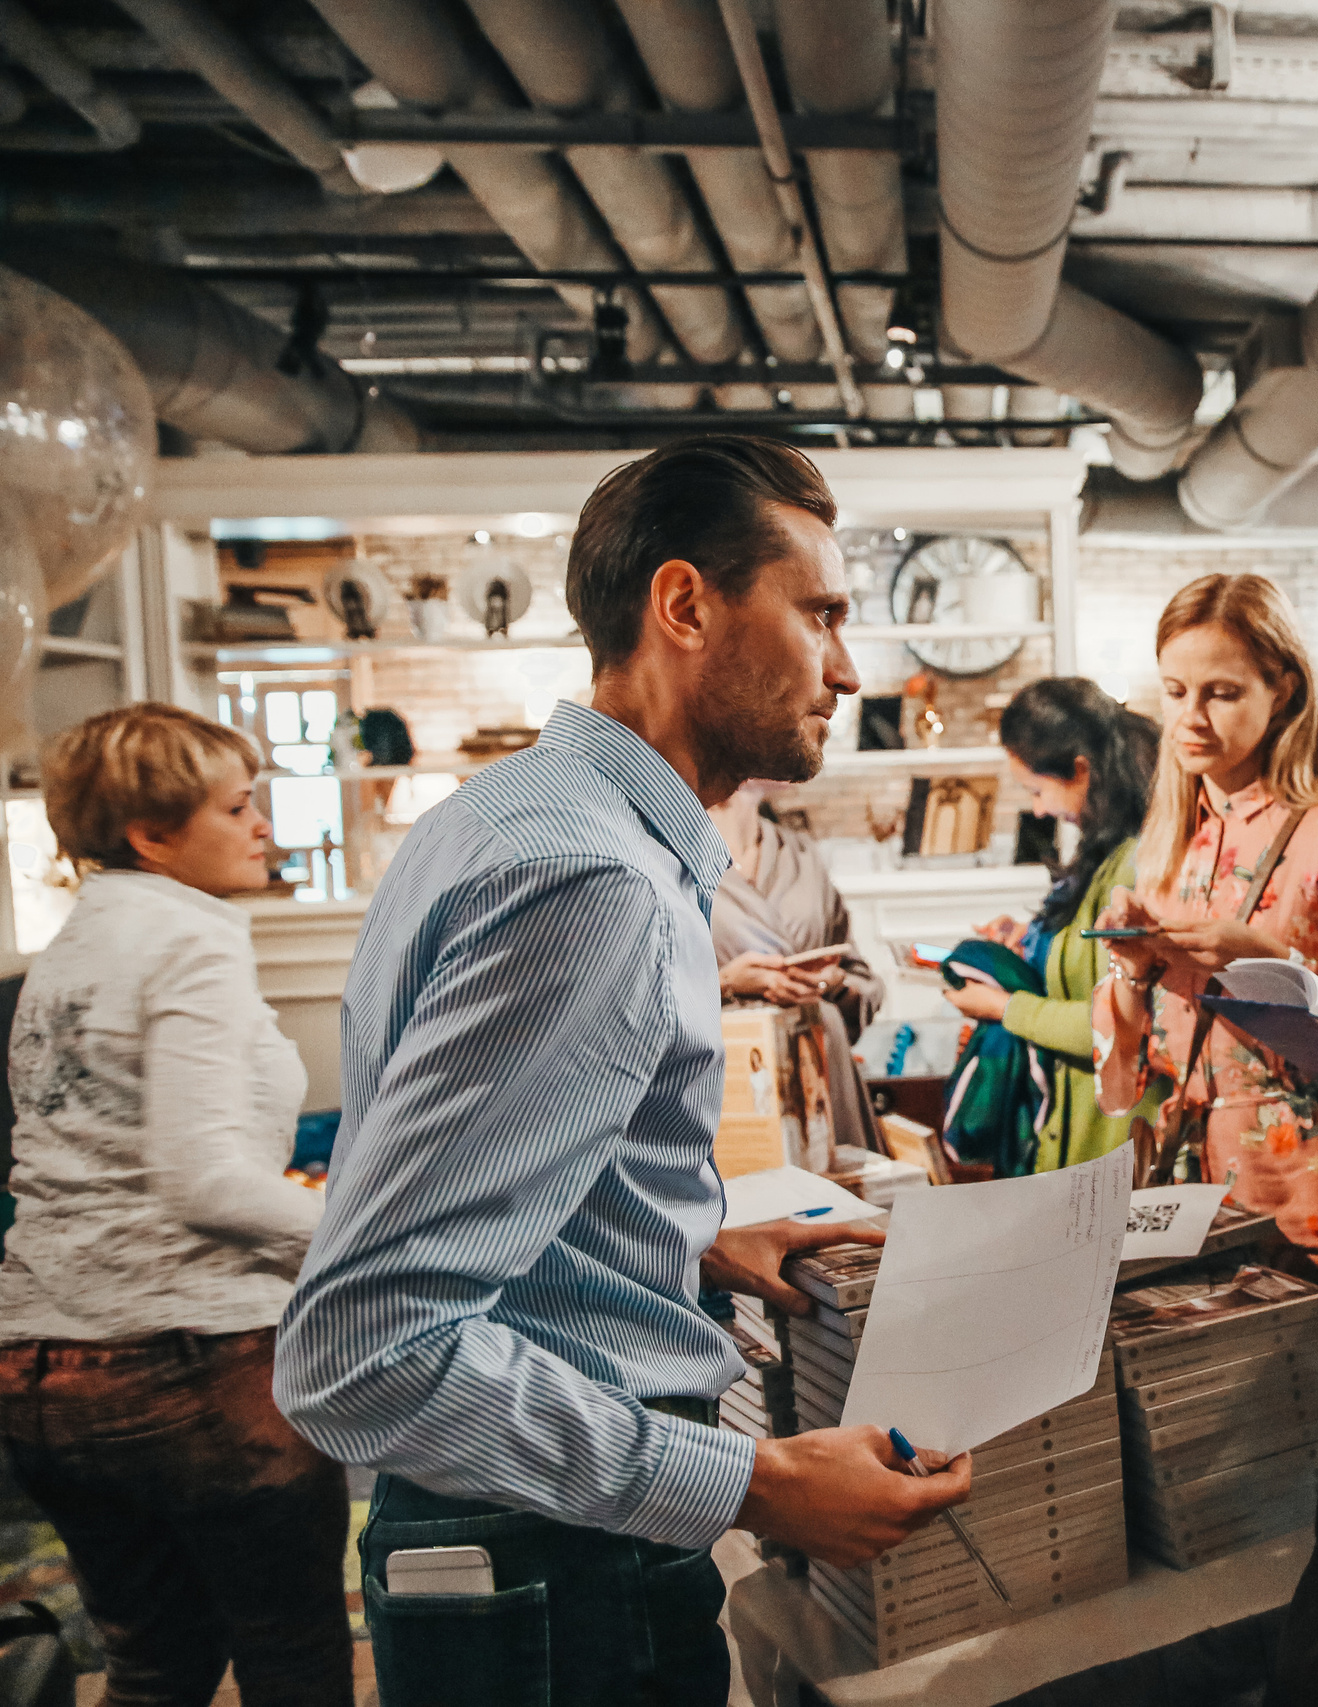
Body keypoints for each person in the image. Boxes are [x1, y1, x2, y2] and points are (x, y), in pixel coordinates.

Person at [274, 437, 970, 1707]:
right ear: (685, 606)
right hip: (559, 1560)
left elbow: (477, 1189)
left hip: (523, 1535)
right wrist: (759, 1483)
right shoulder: (592, 880)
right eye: (820, 615)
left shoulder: (502, 814)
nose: (848, 669)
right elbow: (361, 1346)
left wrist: (681, 1241)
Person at [0, 704, 352, 1707]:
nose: (263, 825)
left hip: (40, 1373)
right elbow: (206, 1184)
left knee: (154, 1668)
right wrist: (372, 1238)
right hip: (187, 1366)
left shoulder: (73, 946)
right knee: (294, 1665)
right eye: (236, 807)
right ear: (152, 836)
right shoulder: (189, 938)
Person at [1094, 573, 1318, 1269]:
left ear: (1284, 690)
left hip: (1312, 1179)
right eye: (1175, 691)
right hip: (1190, 1178)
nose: (1191, 717)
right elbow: (1128, 1074)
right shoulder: (1172, 843)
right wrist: (1131, 968)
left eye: (1222, 692)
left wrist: (1262, 957)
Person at [942, 678, 1161, 1173]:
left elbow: (1122, 1025)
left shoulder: (1134, 867)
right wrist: (1034, 940)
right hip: (1081, 1136)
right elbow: (1087, 967)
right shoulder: (1107, 853)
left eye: (1037, 790)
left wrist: (1004, 1007)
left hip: (1112, 1142)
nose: (1039, 809)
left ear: (1081, 771)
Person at [709, 777, 889, 1158]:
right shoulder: (673, 851)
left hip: (824, 1070)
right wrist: (726, 983)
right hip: (739, 1080)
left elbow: (863, 979)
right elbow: (643, 991)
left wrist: (833, 982)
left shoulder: (801, 853)